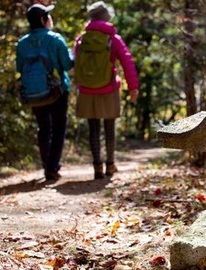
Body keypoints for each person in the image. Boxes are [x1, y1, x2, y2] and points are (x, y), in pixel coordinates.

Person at [74, 1, 139, 179]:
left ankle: (97, 167)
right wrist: (133, 87)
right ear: (106, 17)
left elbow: (76, 64)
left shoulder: (82, 39)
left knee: (93, 127)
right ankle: (110, 165)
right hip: (109, 88)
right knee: (109, 127)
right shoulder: (113, 39)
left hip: (87, 90)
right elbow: (127, 61)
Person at [16, 4, 73, 181]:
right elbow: (67, 65)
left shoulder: (22, 43)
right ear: (43, 19)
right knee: (58, 129)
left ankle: (46, 164)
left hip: (33, 92)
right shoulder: (55, 39)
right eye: (48, 16)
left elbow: (19, 68)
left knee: (43, 128)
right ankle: (52, 167)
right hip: (57, 91)